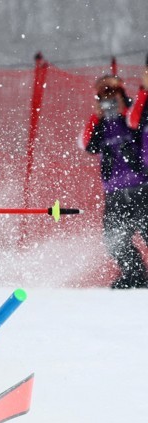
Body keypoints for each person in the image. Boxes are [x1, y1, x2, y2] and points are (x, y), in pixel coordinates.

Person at [79, 74, 148, 289]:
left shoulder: (132, 114)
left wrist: (124, 110)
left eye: (112, 93)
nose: (109, 99)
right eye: (103, 95)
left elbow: (138, 120)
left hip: (141, 187)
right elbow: (86, 144)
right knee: (114, 239)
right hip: (115, 191)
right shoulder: (100, 123)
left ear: (121, 93)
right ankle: (135, 275)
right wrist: (97, 116)